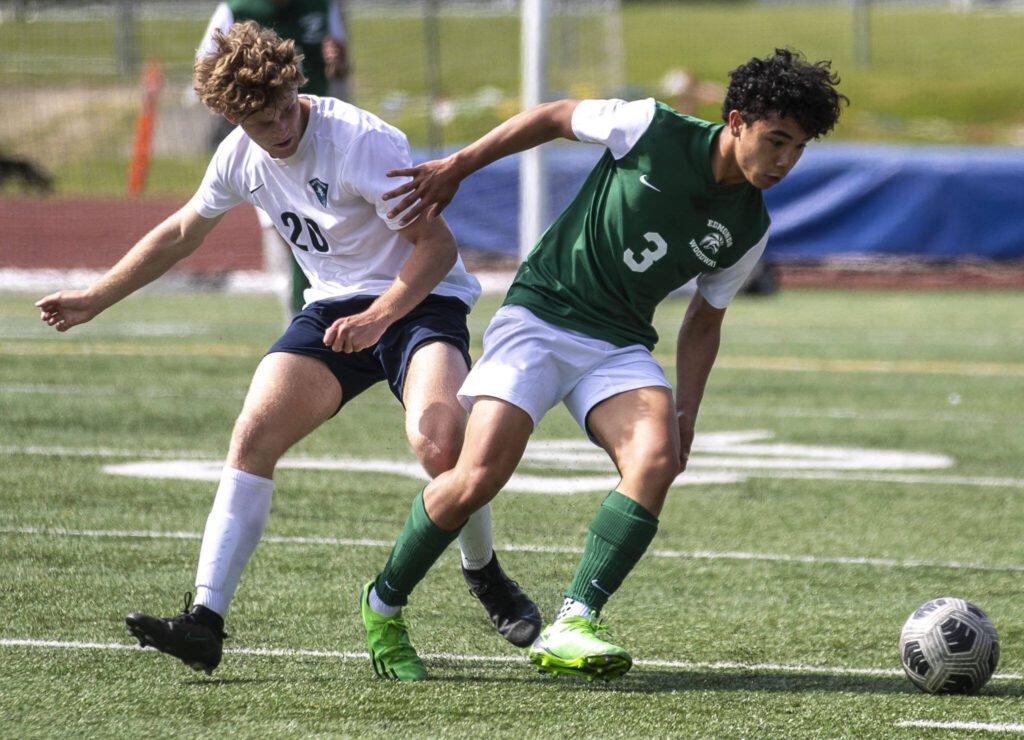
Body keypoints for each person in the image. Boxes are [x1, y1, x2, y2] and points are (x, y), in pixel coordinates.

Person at [35, 21, 540, 676]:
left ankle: (485, 574)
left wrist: (382, 315)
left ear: (295, 83)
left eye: (281, 109)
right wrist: (93, 298)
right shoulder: (240, 156)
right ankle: (205, 621)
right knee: (253, 434)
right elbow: (183, 231)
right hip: (332, 309)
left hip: (419, 300)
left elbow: (438, 248)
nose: (277, 128)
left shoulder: (360, 141)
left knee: (441, 442)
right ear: (228, 116)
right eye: (257, 120)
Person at [357, 48, 848, 681]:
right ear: (735, 122)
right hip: (540, 318)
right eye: (776, 140)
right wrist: (459, 165)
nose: (785, 161)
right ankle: (384, 604)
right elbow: (555, 116)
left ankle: (574, 620)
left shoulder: (749, 225)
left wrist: (688, 407)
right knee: (475, 476)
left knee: (658, 456)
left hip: (617, 346)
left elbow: (705, 318)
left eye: (798, 148)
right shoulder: (651, 127)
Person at [199, 0, 352, 321]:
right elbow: (205, 72)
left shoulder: (323, 6)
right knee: (290, 238)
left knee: (328, 236)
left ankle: (328, 316)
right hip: (267, 150)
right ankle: (300, 322)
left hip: (318, 144)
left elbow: (341, 64)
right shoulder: (235, 9)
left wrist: (337, 61)